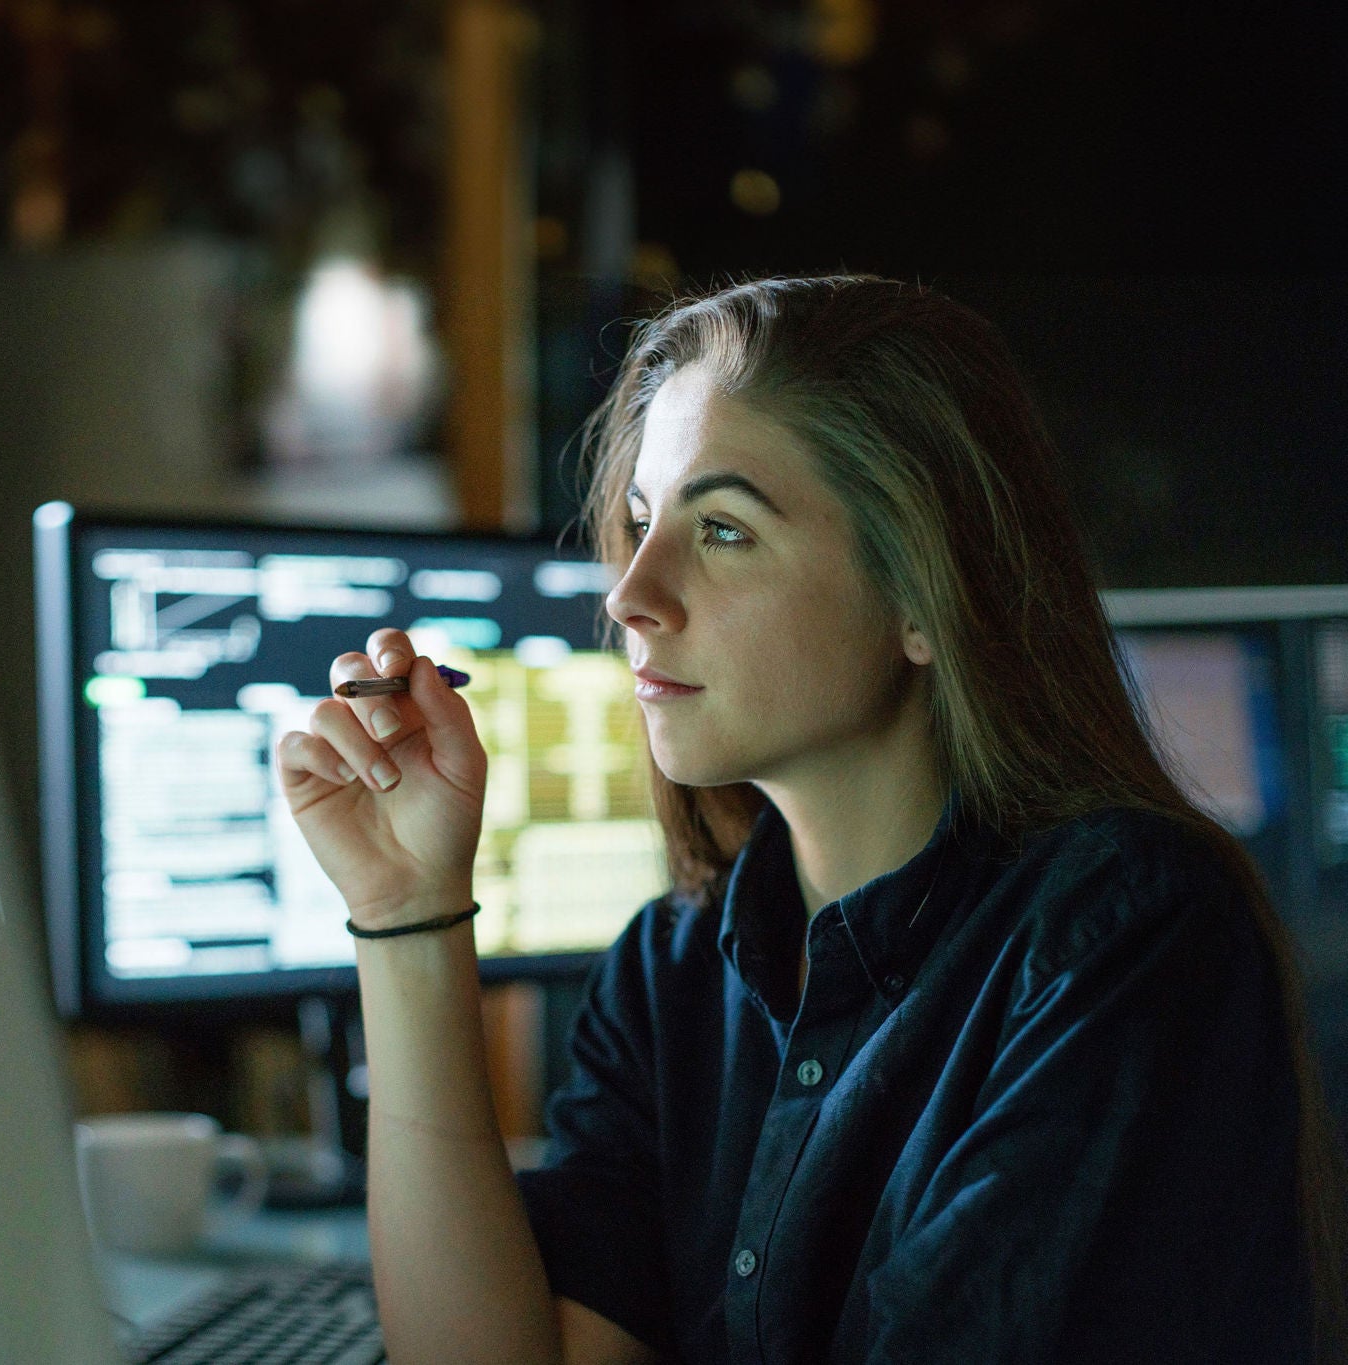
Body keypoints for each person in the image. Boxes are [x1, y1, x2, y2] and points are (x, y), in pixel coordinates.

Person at [274, 275, 1345, 1365]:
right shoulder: (671, 970)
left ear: (924, 596)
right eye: (640, 525)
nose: (628, 594)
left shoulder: (1120, 937)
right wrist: (407, 914)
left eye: (723, 530)